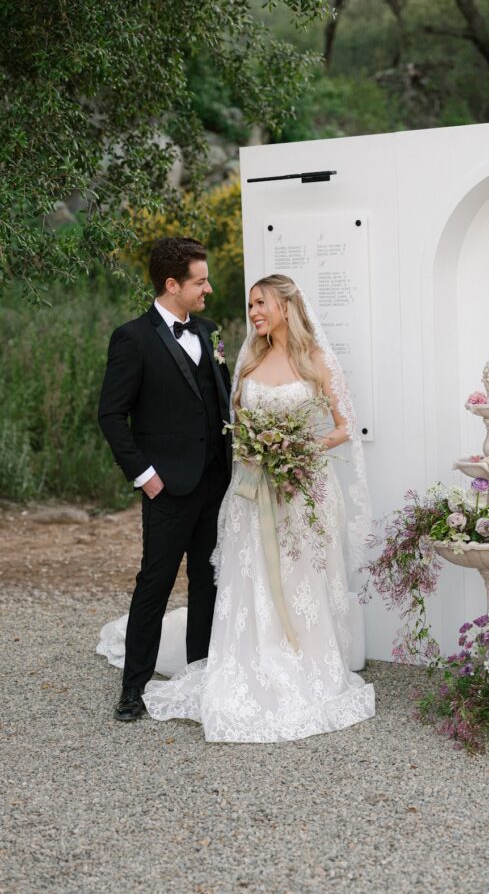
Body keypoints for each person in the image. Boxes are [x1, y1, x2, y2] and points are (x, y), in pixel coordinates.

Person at [98, 273, 375, 741]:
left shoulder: (319, 360)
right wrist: (260, 454)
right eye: (250, 306)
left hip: (303, 488)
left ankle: (307, 662)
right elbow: (233, 424)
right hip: (252, 490)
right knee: (253, 581)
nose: (253, 314)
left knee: (301, 578)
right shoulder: (248, 359)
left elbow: (344, 427)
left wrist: (299, 450)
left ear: (287, 306)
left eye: (261, 303)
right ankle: (242, 660)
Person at [97, 237, 231, 722]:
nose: (208, 289)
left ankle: (199, 675)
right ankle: (132, 689)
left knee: (207, 582)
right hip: (166, 487)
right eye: (200, 281)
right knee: (154, 584)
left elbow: (220, 403)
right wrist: (145, 476)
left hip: (215, 483)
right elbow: (111, 415)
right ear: (172, 284)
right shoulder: (132, 338)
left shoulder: (210, 332)